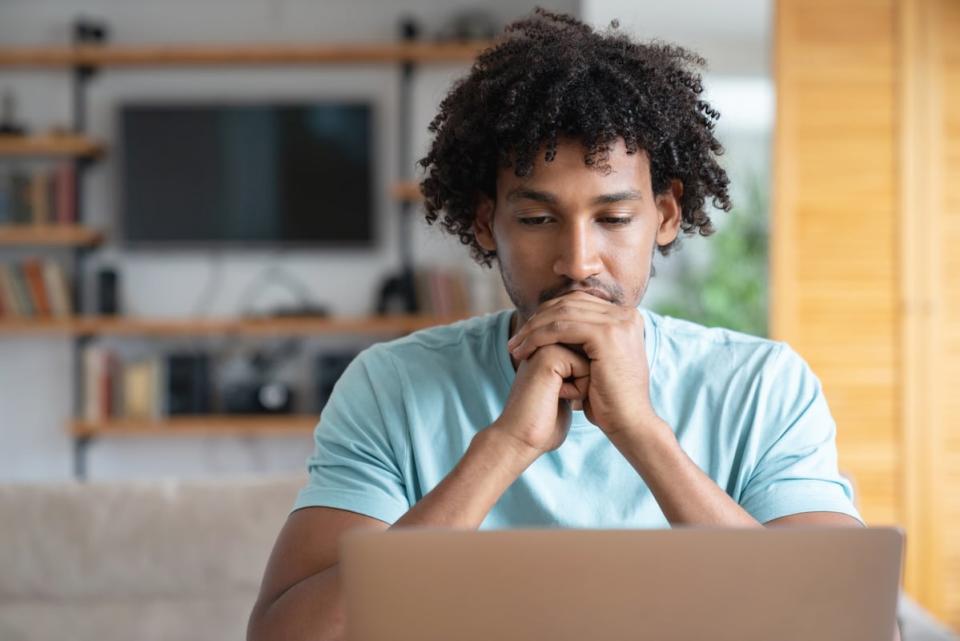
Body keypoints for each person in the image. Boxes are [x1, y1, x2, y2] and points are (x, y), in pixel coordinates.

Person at [247, 8, 866, 641]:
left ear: (667, 215)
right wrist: (506, 446)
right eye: (538, 220)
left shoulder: (762, 386)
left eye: (614, 219)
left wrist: (640, 431)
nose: (577, 262)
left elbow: (848, 630)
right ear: (487, 224)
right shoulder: (391, 385)